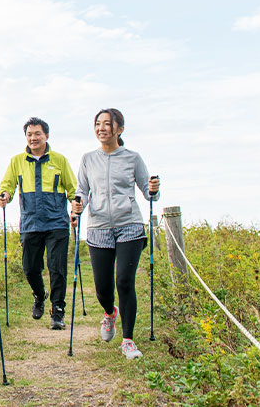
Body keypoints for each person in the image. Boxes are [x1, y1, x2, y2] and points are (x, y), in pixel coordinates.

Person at [71, 108, 159, 360]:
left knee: (124, 281)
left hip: (129, 225)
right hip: (98, 228)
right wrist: (78, 206)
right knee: (102, 288)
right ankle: (110, 313)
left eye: (107, 124)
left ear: (119, 129)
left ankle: (128, 340)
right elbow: (83, 191)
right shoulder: (88, 159)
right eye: (98, 124)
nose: (101, 128)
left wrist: (154, 188)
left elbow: (148, 191)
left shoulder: (132, 158)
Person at [0, 117, 76, 330]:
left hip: (57, 222)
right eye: (29, 134)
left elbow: (73, 189)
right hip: (30, 223)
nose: (33, 138)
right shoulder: (17, 161)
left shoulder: (59, 160)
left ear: (46, 136)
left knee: (57, 267)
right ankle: (40, 295)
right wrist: (4, 195)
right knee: (30, 267)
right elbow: (8, 185)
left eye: (37, 134)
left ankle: (58, 310)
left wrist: (76, 206)